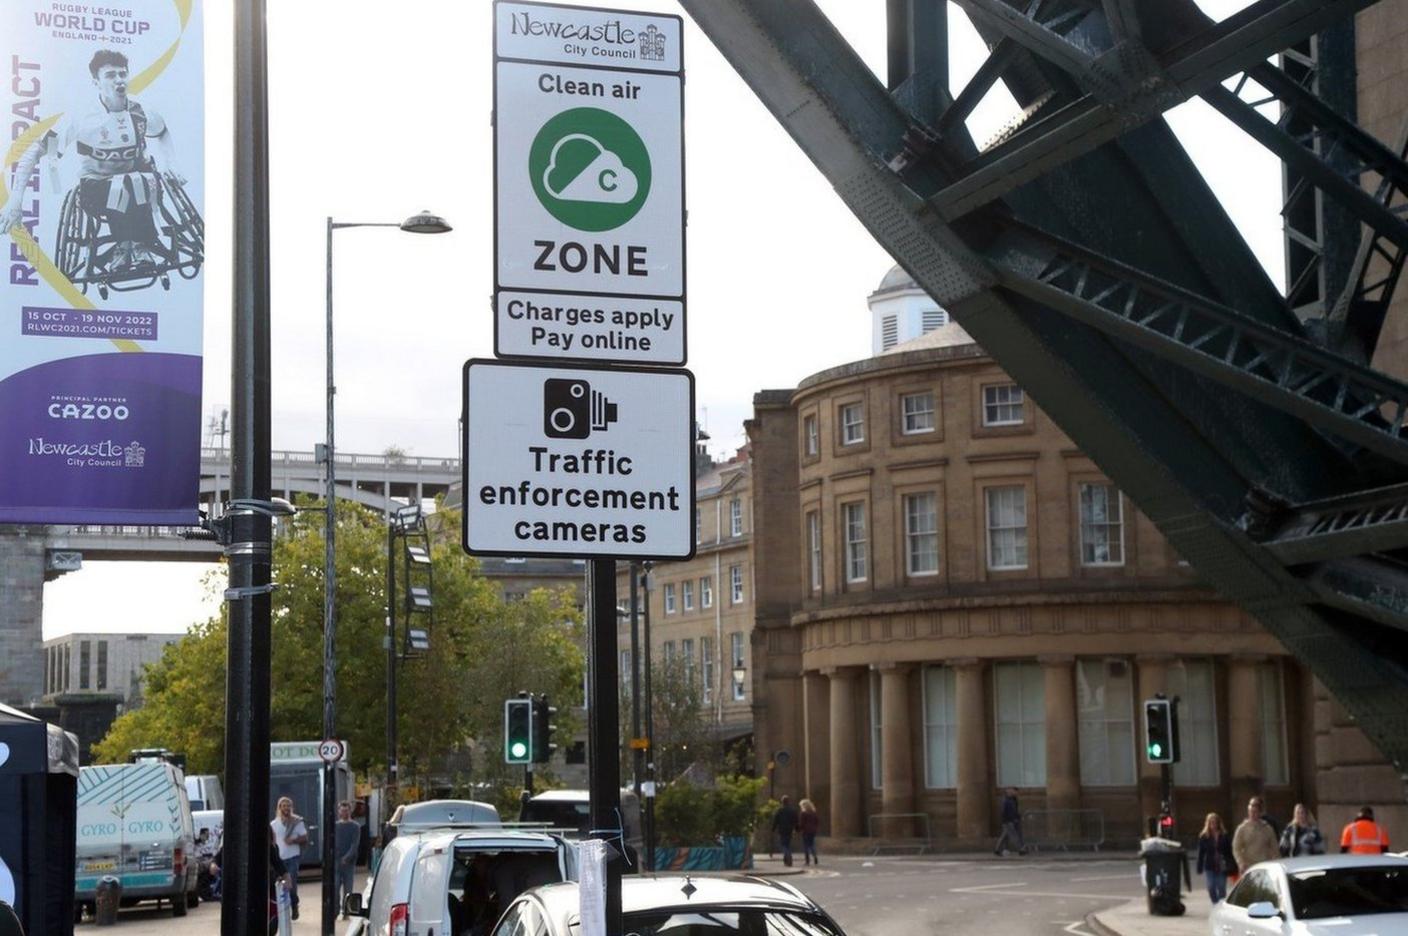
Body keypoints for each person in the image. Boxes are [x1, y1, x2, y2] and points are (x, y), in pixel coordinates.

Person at [0, 50, 187, 272]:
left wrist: (170, 163)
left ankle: (138, 244)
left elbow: (163, 133)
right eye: (110, 75)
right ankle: (126, 245)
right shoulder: (81, 117)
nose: (119, 80)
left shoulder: (142, 112)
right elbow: (35, 151)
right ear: (96, 82)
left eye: (122, 74)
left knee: (138, 180)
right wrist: (15, 199)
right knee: (124, 185)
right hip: (97, 187)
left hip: (143, 183)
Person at [271, 796, 308, 919]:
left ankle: (294, 905)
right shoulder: (274, 824)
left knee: (291, 884)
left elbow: (304, 837)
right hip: (279, 859)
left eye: (288, 806)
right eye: (284, 805)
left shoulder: (297, 822)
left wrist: (293, 840)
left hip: (292, 857)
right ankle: (280, 911)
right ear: (279, 808)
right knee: (277, 885)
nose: (286, 808)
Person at [1195, 813, 1236, 903]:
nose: (1213, 825)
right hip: (1209, 865)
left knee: (1221, 887)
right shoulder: (1204, 836)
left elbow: (1229, 851)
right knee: (1211, 887)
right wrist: (1199, 867)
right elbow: (1201, 853)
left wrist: (1233, 864)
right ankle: (1215, 903)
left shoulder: (1224, 835)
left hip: (1222, 865)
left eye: (1215, 823)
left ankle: (1221, 905)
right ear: (1208, 824)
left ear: (1218, 823)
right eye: (1211, 823)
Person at [1232, 796, 1279, 873]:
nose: (1253, 814)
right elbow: (1236, 848)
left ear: (1260, 813)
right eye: (1251, 811)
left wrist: (1277, 861)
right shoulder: (1242, 828)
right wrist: (1240, 862)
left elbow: (1275, 848)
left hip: (1264, 865)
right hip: (1248, 867)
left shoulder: (1267, 828)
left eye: (1255, 812)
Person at [334, 801, 361, 918]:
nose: (344, 812)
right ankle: (335, 911)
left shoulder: (355, 826)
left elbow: (355, 844)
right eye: (342, 810)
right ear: (339, 811)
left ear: (350, 811)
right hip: (336, 861)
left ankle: (346, 912)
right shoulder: (335, 826)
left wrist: (347, 857)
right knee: (335, 887)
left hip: (349, 862)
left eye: (346, 810)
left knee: (348, 888)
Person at [993, 788, 1027, 856]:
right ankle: (1020, 849)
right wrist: (1010, 819)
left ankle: (997, 849)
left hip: (1011, 820)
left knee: (1004, 836)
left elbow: (1015, 811)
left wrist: (1017, 817)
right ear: (1008, 792)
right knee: (1014, 835)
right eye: (1012, 792)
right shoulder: (1006, 801)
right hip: (1008, 821)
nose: (1014, 793)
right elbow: (1005, 812)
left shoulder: (1013, 800)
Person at [771, 795, 800, 867]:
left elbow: (775, 820)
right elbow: (796, 821)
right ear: (788, 802)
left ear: (782, 802)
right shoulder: (792, 810)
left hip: (782, 830)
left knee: (783, 845)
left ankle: (788, 856)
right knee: (787, 844)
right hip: (789, 830)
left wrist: (773, 829)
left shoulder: (779, 810)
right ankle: (786, 860)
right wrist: (797, 829)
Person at [798, 798, 820, 866]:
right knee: (812, 844)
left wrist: (798, 829)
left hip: (806, 831)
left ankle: (807, 860)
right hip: (812, 831)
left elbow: (802, 823)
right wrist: (815, 828)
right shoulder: (813, 813)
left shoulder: (803, 813)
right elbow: (817, 822)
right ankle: (815, 856)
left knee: (806, 846)